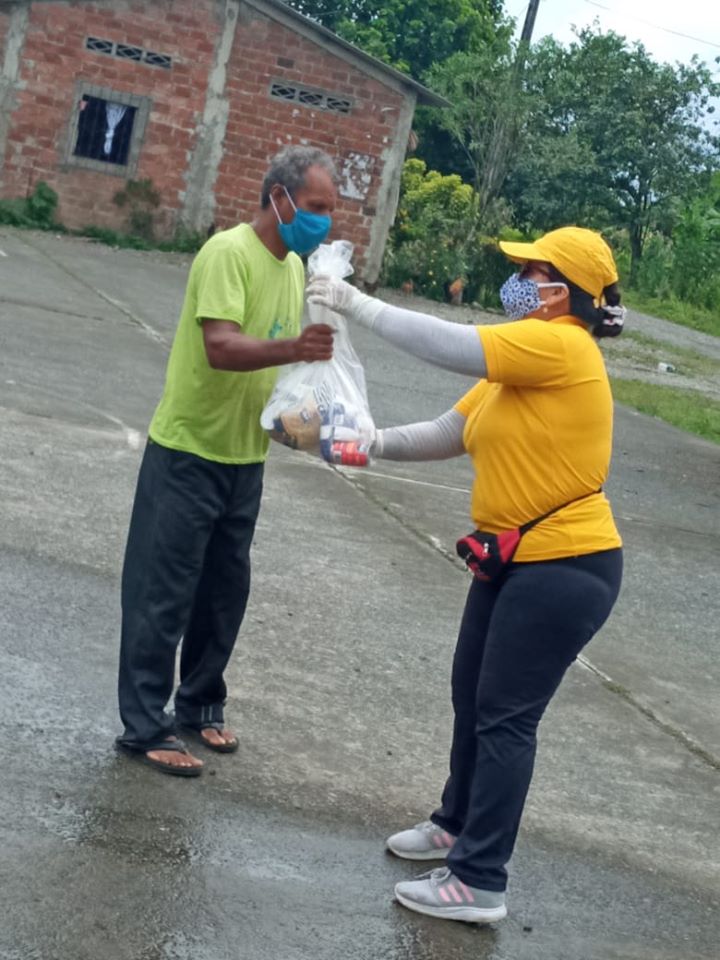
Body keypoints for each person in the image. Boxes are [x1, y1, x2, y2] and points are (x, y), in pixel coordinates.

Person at [307, 226, 626, 923]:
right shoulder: (520, 368)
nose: (519, 282)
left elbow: (448, 343)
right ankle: (456, 826)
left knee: (506, 719)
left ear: (561, 291)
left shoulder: (562, 346)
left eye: (531, 271)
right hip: (516, 560)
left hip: (565, 566)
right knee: (473, 698)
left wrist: (354, 303)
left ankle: (480, 880)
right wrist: (368, 444)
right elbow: (451, 432)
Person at [116, 146, 338, 776]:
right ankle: (144, 726)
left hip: (245, 456)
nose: (324, 222)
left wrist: (305, 413)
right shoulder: (227, 253)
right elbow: (222, 346)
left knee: (222, 594)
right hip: (188, 451)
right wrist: (294, 348)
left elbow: (277, 361)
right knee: (162, 595)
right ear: (279, 197)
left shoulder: (291, 268)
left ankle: (199, 705)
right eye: (316, 206)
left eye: (330, 210)